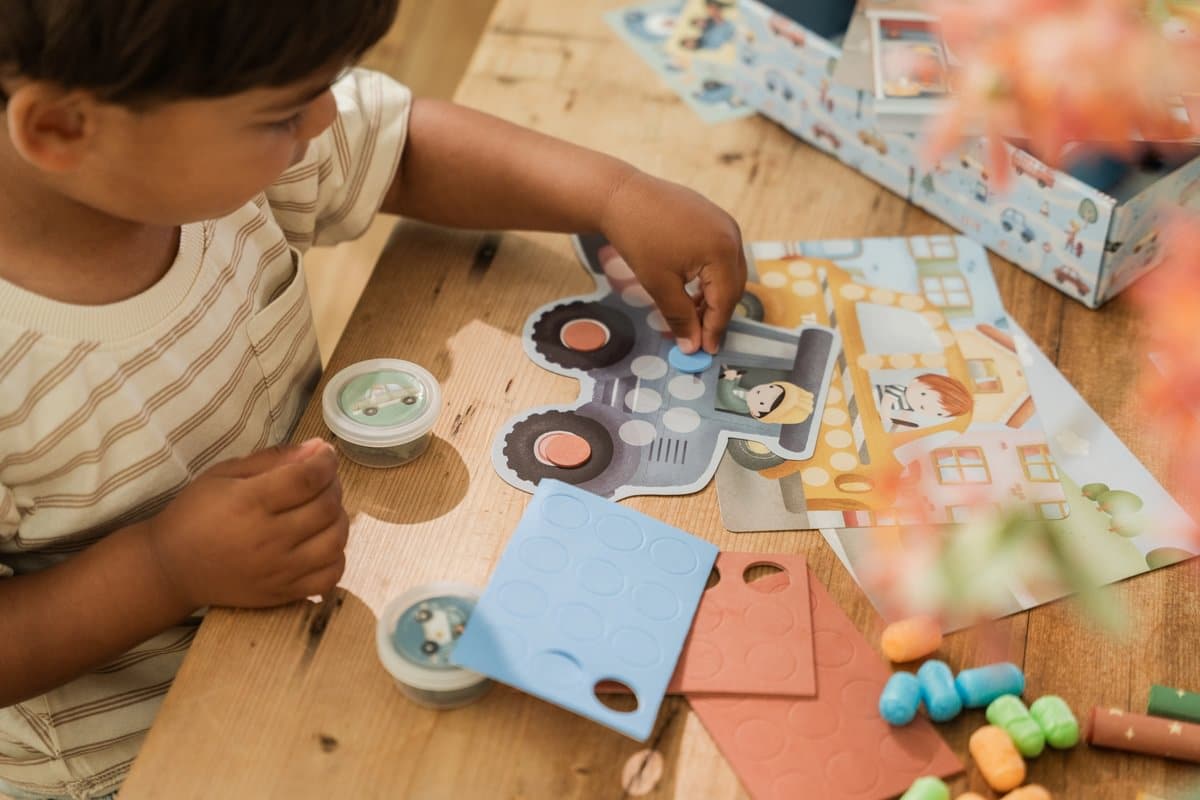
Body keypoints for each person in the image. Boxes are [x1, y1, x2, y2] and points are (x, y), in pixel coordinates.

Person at [0, 2, 747, 796]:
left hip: (324, 603)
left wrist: (614, 193)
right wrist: (164, 568)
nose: (324, 117)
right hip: (138, 754)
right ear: (61, 130)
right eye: (283, 114)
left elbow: (400, 148)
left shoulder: (197, 143)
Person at [875, 373, 973, 432]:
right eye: (923, 394)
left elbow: (904, 416)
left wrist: (902, 425)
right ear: (916, 381)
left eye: (938, 413)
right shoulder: (898, 389)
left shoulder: (910, 407)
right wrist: (885, 417)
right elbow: (887, 402)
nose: (926, 406)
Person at [718, 367, 814, 425]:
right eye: (771, 387)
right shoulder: (748, 395)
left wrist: (728, 380)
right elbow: (735, 389)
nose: (762, 392)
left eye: (762, 402)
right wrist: (736, 378)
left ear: (756, 413)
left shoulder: (743, 407)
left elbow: (726, 397)